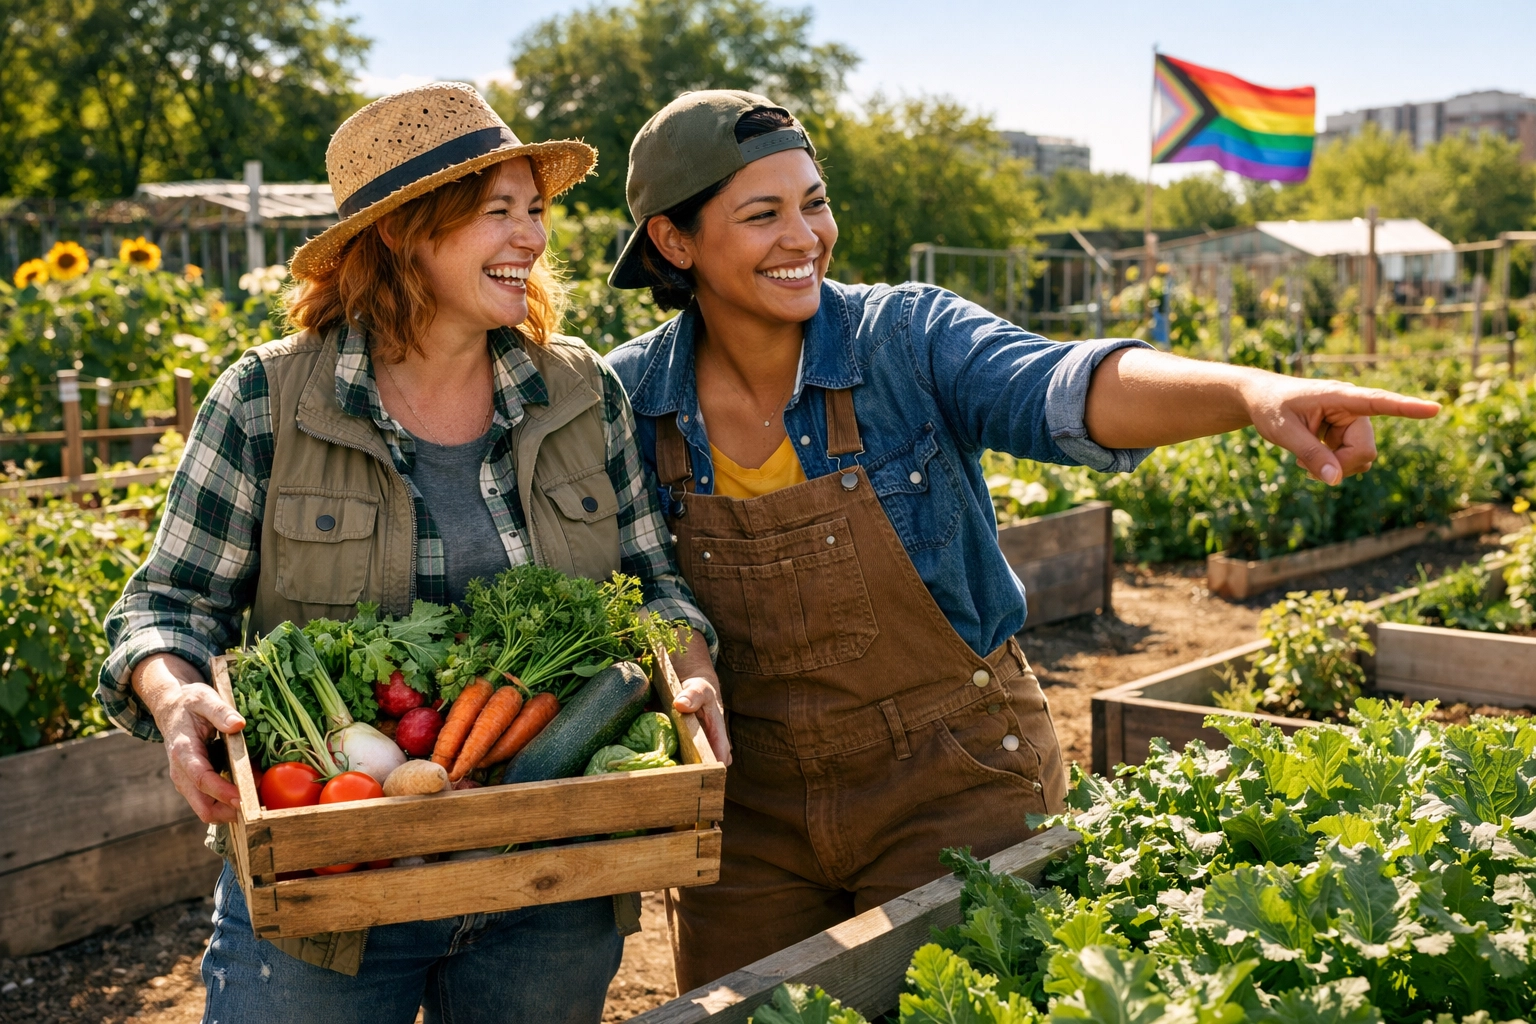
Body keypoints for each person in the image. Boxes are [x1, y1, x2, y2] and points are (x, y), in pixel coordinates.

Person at [603, 89, 1441, 989]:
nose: (804, 236)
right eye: (762, 214)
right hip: (748, 808)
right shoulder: (627, 399)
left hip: (951, 779)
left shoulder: (904, 339)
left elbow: (1067, 386)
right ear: (674, 241)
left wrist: (1248, 393)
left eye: (814, 201)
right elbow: (640, 582)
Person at [95, 82, 720, 1024]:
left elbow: (650, 588)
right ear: (400, 232)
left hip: (550, 883)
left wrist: (691, 669)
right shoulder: (265, 403)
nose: (533, 239)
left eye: (536, 210)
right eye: (496, 213)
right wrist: (176, 693)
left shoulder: (579, 394)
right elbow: (166, 609)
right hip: (327, 897)